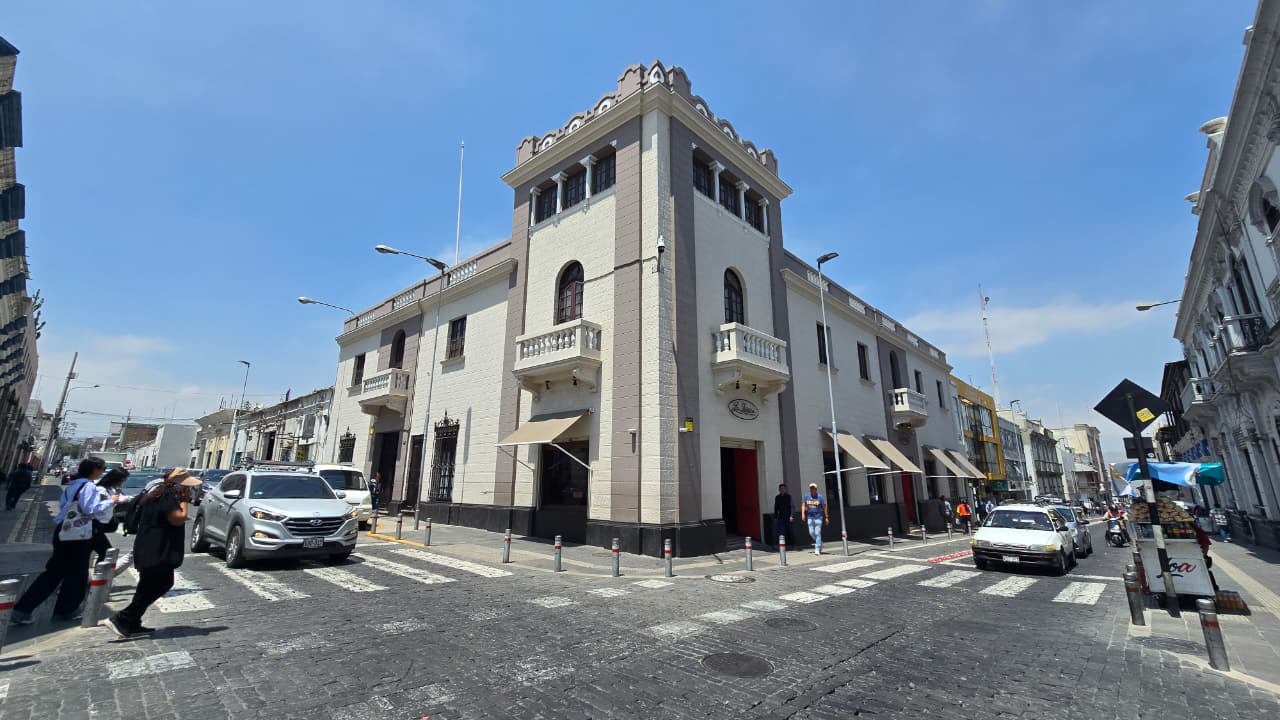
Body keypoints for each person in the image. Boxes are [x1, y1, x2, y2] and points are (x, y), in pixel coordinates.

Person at [9, 457, 121, 625]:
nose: (103, 471)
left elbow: (65, 506)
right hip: (79, 534)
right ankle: (66, 610)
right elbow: (90, 509)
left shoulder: (74, 484)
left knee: (54, 572)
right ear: (94, 470)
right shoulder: (89, 486)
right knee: (78, 573)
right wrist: (109, 502)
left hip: (64, 530)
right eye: (102, 468)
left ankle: (23, 609)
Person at [105, 468, 201, 637]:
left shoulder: (158, 494)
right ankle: (122, 618)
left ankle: (132, 622)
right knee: (159, 584)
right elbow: (178, 518)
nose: (188, 490)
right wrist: (185, 501)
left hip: (153, 546)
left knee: (149, 586)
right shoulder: (164, 496)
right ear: (177, 485)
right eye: (185, 486)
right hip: (156, 548)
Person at [90, 468, 129, 563]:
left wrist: (127, 499)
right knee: (107, 553)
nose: (123, 483)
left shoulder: (110, 489)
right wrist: (111, 501)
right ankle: (99, 576)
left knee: (104, 553)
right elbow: (96, 507)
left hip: (100, 526)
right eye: (122, 480)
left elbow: (115, 499)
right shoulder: (101, 490)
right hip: (94, 525)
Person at [801, 483, 828, 554]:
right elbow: (803, 505)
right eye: (811, 488)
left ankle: (817, 548)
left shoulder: (820, 497)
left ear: (816, 489)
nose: (812, 489)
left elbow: (824, 506)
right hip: (810, 517)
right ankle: (820, 542)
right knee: (811, 532)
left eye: (813, 488)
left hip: (818, 517)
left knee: (817, 532)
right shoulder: (806, 496)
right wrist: (803, 514)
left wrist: (826, 517)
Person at [772, 484, 795, 549]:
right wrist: (775, 516)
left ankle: (793, 544)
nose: (782, 490)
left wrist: (791, 516)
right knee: (781, 531)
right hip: (781, 517)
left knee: (790, 531)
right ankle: (781, 545)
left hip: (788, 516)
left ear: (785, 489)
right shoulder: (777, 497)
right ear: (779, 490)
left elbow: (792, 507)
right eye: (781, 489)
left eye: (783, 488)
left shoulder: (789, 497)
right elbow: (776, 507)